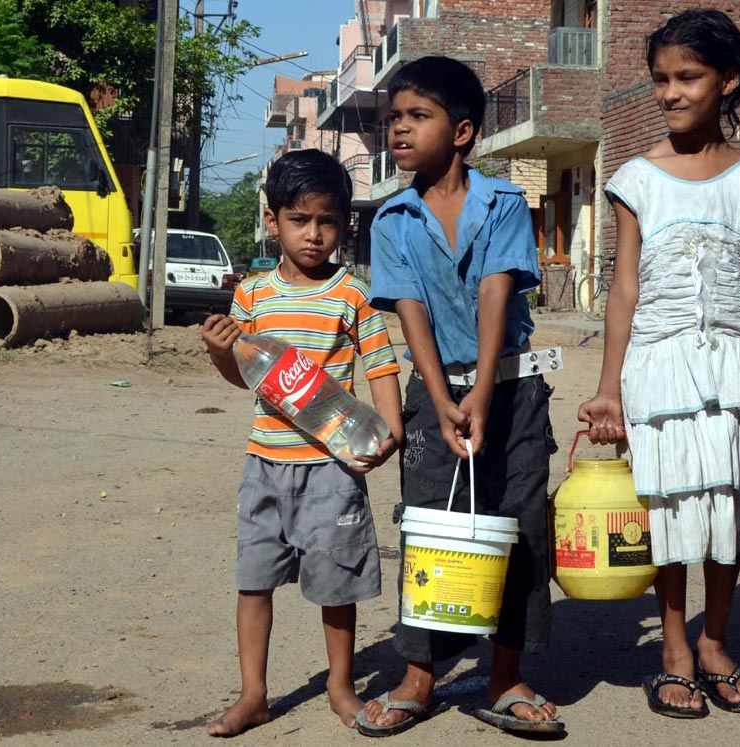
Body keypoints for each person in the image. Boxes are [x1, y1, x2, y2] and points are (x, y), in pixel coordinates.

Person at [578, 9, 740, 719]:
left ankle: (716, 641)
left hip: (736, 368)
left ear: (728, 81)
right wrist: (606, 392)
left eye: (687, 76)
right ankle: (675, 651)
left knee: (726, 505)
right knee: (670, 508)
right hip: (658, 371)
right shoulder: (634, 179)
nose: (670, 92)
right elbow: (623, 290)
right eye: (660, 79)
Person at [355, 56, 563, 738]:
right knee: (430, 523)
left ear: (464, 130)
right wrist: (444, 398)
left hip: (512, 388)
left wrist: (480, 391)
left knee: (520, 521)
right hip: (435, 391)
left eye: (418, 116)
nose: (400, 131)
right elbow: (408, 309)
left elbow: (497, 292)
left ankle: (505, 673)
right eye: (393, 120)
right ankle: (421, 673)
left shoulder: (502, 203)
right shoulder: (391, 219)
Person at [200, 148, 404, 737]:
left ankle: (341, 687)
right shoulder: (253, 298)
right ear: (273, 221)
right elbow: (245, 377)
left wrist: (388, 433)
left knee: (336, 582)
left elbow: (381, 366)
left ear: (344, 224)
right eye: (300, 220)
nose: (314, 235)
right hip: (265, 463)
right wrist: (220, 351)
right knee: (254, 578)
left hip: (332, 466)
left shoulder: (351, 295)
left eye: (328, 222)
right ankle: (254, 695)